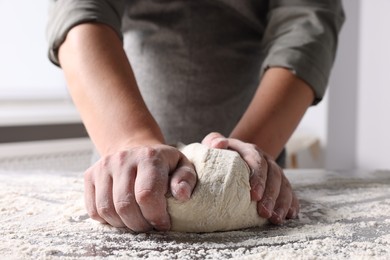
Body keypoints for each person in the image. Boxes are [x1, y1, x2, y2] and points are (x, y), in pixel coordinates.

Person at [47, 0, 344, 232]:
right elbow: (79, 9)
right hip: (124, 164)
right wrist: (129, 138)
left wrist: (240, 168)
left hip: (257, 147)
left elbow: (306, 23)